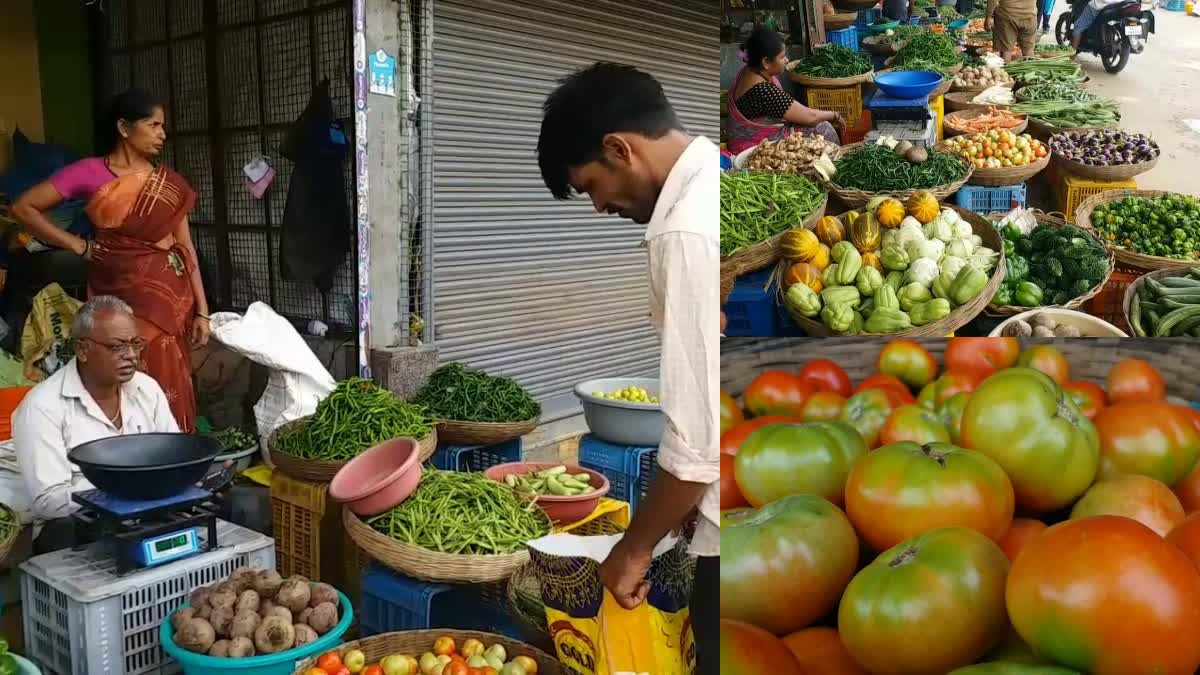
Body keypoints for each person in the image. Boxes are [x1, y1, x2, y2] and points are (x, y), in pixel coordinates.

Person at [538, 63, 719, 674]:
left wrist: (633, 550)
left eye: (593, 184)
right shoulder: (717, 176)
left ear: (620, 148)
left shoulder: (684, 233)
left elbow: (696, 449)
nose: (598, 207)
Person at [12, 88, 209, 433]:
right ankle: (123, 455)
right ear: (124, 127)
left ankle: (173, 455)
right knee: (116, 367)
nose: (162, 134)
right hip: (115, 289)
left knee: (169, 377)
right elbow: (23, 208)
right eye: (154, 124)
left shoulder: (167, 184)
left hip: (167, 297)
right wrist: (76, 245)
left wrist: (203, 310)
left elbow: (185, 246)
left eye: (163, 126)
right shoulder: (90, 172)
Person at [12, 296, 180, 554]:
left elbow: (174, 453)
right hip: (79, 525)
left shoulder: (147, 388)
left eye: (135, 344)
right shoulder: (42, 407)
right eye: (117, 347)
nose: (131, 356)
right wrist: (125, 486)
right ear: (82, 349)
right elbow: (48, 501)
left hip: (147, 507)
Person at [726, 27, 844, 155]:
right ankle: (834, 163)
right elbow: (811, 118)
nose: (787, 60)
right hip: (751, 146)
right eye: (782, 57)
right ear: (765, 62)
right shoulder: (763, 91)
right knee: (823, 128)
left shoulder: (748, 70)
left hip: (740, 138)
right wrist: (835, 115)